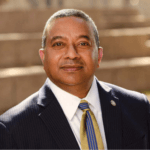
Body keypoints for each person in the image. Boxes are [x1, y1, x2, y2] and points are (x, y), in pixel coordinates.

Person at [0, 9, 150, 149]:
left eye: (83, 44)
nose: (72, 54)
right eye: (59, 44)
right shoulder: (11, 129)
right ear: (43, 57)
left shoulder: (138, 107)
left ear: (99, 56)